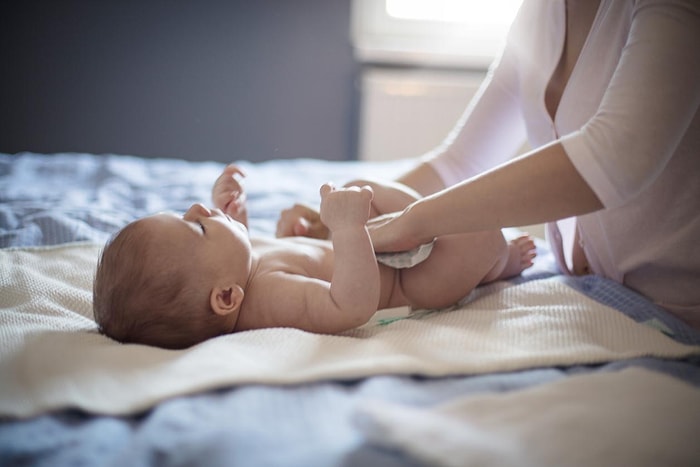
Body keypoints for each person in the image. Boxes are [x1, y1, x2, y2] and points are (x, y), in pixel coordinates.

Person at [274, 0, 700, 329]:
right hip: (598, 297)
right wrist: (345, 218)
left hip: (678, 311)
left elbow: (616, 156)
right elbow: (459, 163)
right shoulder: (540, 15)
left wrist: (412, 222)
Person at [93, 166, 535, 350]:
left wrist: (233, 218)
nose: (196, 210)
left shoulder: (232, 273)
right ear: (226, 298)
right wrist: (345, 231)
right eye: (197, 227)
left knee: (364, 185)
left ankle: (423, 221)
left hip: (382, 248)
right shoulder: (270, 298)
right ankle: (500, 264)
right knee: (479, 231)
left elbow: (241, 253)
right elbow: (350, 306)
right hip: (412, 282)